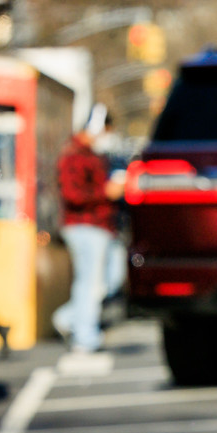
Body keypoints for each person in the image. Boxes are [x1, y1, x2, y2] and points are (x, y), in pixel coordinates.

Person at [53, 105, 124, 354]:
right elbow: (72, 193)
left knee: (111, 278)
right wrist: (106, 192)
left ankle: (68, 318)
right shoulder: (74, 154)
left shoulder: (95, 154)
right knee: (90, 282)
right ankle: (85, 336)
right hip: (84, 226)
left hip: (103, 226)